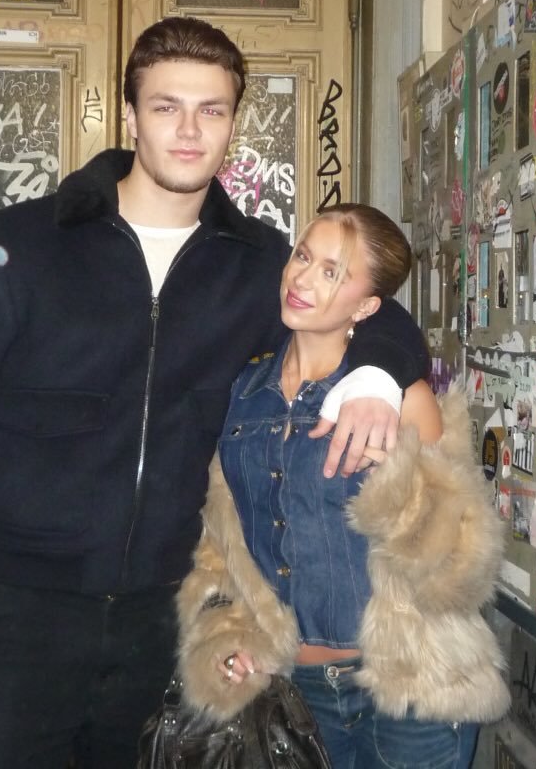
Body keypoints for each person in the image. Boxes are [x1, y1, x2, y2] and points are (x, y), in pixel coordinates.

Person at [0, 16, 430, 768]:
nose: (188, 130)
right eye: (166, 106)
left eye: (211, 110)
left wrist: (373, 376)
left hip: (167, 621)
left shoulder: (256, 263)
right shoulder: (29, 242)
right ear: (130, 116)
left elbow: (382, 312)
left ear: (232, 125)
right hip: (18, 611)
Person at [174, 205, 509, 769]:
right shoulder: (242, 394)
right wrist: (227, 636)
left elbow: (463, 571)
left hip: (414, 690)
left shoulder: (402, 399)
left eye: (332, 271)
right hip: (295, 691)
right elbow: (219, 549)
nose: (302, 278)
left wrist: (398, 491)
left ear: (368, 306)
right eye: (303, 256)